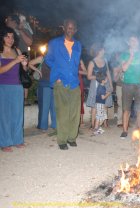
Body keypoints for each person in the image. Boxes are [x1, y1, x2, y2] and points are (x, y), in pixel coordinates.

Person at [45, 19, 82, 150]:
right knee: (62, 113)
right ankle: (62, 140)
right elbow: (48, 59)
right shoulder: (55, 43)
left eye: (73, 28)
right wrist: (58, 74)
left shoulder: (78, 45)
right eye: (68, 28)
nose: (70, 30)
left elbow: (75, 63)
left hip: (74, 83)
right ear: (64, 28)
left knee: (74, 113)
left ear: (76, 30)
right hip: (61, 82)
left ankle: (72, 137)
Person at [0, 27, 27, 152]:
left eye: (12, 37)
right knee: (4, 116)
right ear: (2, 38)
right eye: (7, 36)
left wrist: (24, 65)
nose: (10, 39)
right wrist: (15, 61)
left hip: (17, 86)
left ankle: (17, 140)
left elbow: (23, 71)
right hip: (3, 87)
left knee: (18, 115)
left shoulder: (17, 50)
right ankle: (5, 142)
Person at [119, 35, 140, 139]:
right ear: (128, 42)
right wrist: (131, 56)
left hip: (139, 84)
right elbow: (124, 68)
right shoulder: (124, 54)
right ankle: (124, 131)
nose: (134, 42)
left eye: (136, 40)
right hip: (127, 84)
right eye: (132, 40)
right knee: (126, 109)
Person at [5, 14, 33, 106]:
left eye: (8, 19)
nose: (6, 21)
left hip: (21, 55)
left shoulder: (23, 29)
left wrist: (20, 29)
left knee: (22, 76)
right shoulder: (4, 32)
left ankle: (24, 99)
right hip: (7, 57)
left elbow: (29, 42)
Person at [86, 43, 113, 130]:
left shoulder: (105, 60)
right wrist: (98, 77)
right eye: (102, 50)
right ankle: (93, 124)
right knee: (94, 105)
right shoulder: (92, 62)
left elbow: (108, 73)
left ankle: (105, 122)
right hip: (95, 85)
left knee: (105, 103)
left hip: (105, 83)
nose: (104, 51)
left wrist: (111, 85)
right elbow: (89, 76)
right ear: (98, 51)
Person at [28, 55, 56, 131]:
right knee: (44, 107)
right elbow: (29, 63)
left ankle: (55, 125)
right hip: (44, 85)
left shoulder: (57, 57)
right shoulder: (42, 58)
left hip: (55, 85)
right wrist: (37, 70)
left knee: (55, 107)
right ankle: (43, 126)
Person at [78, 60, 87, 126]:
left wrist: (78, 71)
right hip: (69, 82)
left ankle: (81, 120)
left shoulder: (80, 60)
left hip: (79, 82)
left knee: (80, 101)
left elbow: (86, 72)